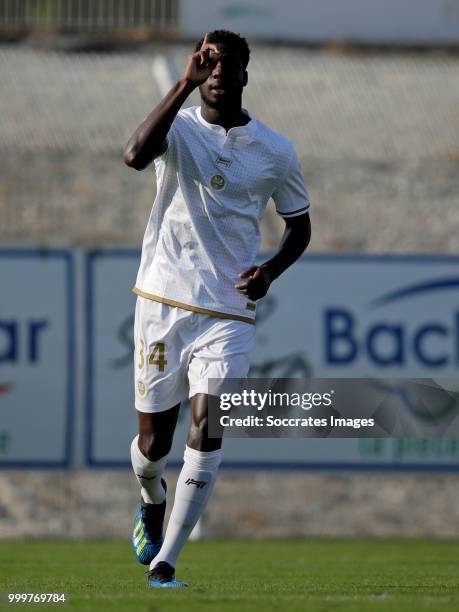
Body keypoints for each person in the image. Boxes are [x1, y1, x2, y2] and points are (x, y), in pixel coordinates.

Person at [123, 29, 311, 588]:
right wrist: (184, 81)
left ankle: (166, 563)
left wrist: (270, 272)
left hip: (229, 313)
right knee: (154, 445)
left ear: (246, 75)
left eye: (229, 62)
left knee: (209, 425)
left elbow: (299, 227)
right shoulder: (177, 130)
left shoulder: (276, 150)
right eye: (210, 61)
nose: (218, 69)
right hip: (162, 301)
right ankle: (149, 497)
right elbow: (134, 156)